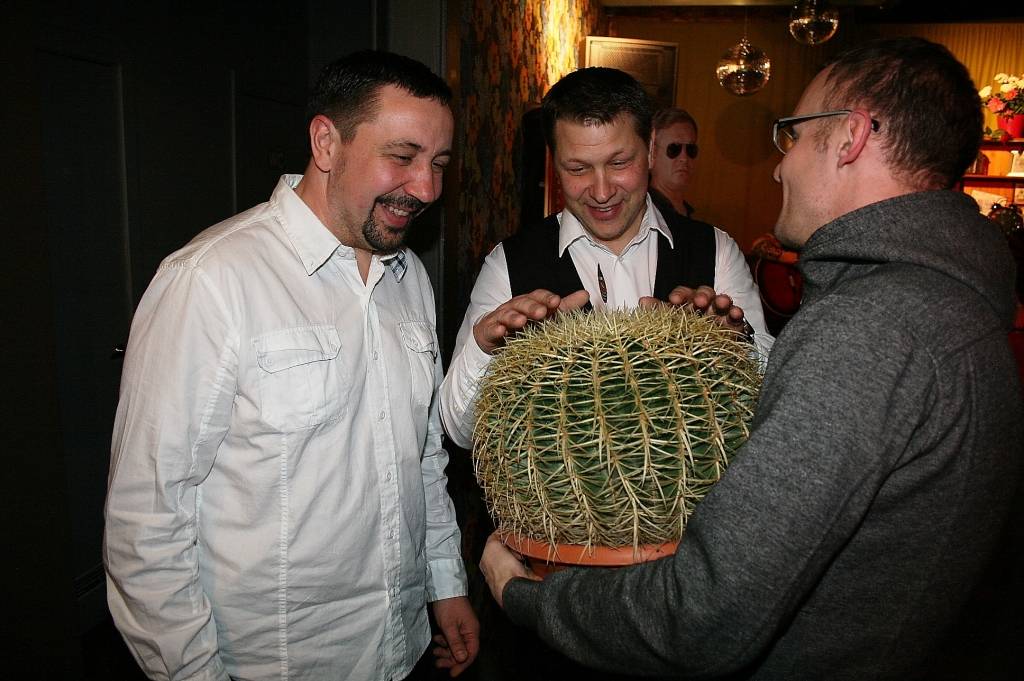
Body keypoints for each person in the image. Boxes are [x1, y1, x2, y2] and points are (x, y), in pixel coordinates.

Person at [478, 37, 1022, 679]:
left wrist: (527, 597)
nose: (777, 167)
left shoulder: (869, 331)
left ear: (849, 138)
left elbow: (703, 614)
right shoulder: (950, 307)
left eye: (792, 135)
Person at [104, 50, 478, 681]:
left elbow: (421, 459)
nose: (427, 189)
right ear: (326, 142)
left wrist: (445, 582)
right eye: (403, 156)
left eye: (439, 163)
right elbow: (148, 520)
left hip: (403, 649)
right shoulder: (211, 281)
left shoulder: (409, 276)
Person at [439, 67, 773, 450]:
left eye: (619, 163)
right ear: (554, 163)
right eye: (578, 168)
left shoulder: (715, 250)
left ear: (648, 151)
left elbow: (772, 401)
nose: (601, 192)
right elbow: (460, 432)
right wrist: (485, 348)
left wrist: (737, 347)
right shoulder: (508, 262)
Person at [648, 106, 700, 219]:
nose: (684, 158)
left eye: (690, 149)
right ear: (652, 154)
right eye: (674, 149)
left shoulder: (686, 211)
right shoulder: (643, 213)